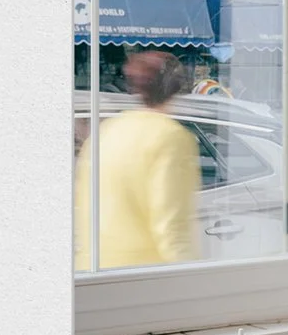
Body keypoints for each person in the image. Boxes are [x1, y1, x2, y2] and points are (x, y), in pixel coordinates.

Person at [74, 51, 199, 270]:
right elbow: (171, 225)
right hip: (143, 275)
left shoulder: (106, 131)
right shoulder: (170, 136)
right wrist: (196, 280)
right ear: (177, 89)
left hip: (93, 269)